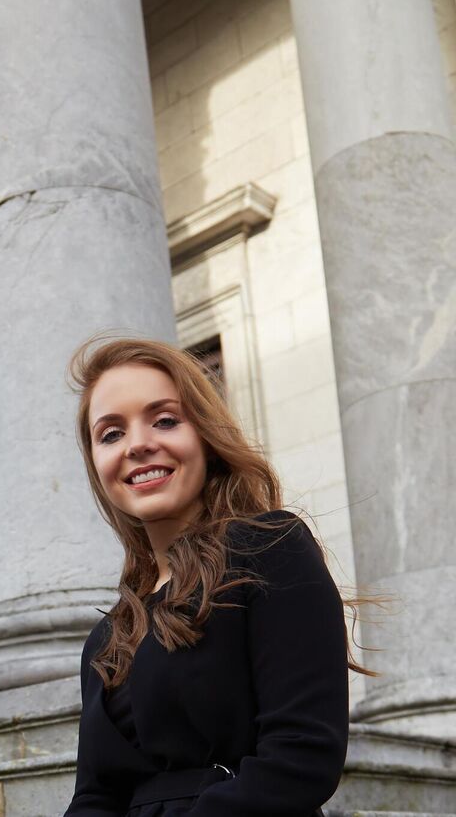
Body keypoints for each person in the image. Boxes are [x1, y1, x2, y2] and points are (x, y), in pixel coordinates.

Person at [63, 337, 365, 816]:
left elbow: (301, 757)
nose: (138, 444)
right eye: (111, 433)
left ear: (205, 435)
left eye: (164, 419)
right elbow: (96, 795)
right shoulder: (107, 636)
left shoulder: (271, 548)